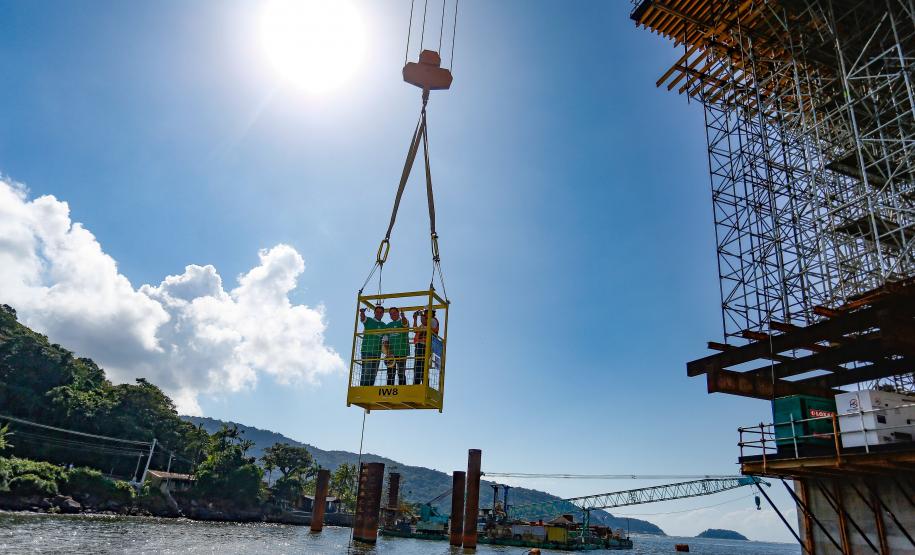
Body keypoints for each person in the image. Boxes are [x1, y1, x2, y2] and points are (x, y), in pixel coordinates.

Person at [359, 305, 386, 386]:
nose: (379, 314)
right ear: (374, 313)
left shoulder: (384, 325)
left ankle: (369, 391)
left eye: (381, 312)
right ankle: (363, 391)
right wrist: (362, 312)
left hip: (377, 353)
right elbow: (363, 319)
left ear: (383, 314)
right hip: (367, 351)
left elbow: (385, 339)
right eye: (377, 312)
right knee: (367, 372)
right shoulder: (369, 320)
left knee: (373, 373)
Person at [412, 308, 440, 385]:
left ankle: (417, 384)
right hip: (420, 345)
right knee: (419, 366)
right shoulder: (425, 323)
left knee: (420, 366)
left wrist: (420, 315)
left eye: (425, 312)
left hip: (425, 346)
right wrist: (415, 319)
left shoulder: (433, 320)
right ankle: (421, 384)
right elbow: (415, 330)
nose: (424, 314)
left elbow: (424, 322)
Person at [384, 307, 409, 386]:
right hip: (391, 354)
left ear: (398, 313)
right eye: (391, 314)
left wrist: (403, 316)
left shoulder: (403, 321)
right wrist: (388, 352)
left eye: (394, 313)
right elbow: (385, 340)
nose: (393, 315)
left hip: (402, 352)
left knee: (401, 373)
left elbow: (405, 324)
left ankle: (402, 391)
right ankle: (388, 393)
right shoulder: (388, 326)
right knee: (390, 374)